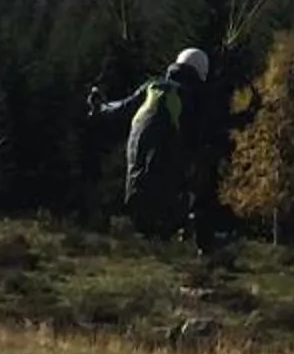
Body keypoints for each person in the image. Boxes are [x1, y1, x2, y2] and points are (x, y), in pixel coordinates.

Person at [90, 47, 233, 248]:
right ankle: (203, 237)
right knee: (207, 166)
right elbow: (209, 132)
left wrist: (99, 106)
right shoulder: (195, 97)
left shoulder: (152, 87)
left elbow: (118, 109)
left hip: (134, 194)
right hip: (168, 200)